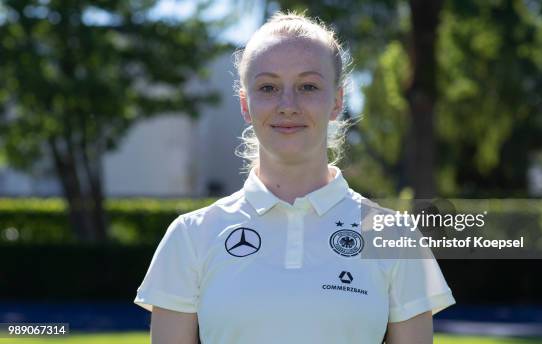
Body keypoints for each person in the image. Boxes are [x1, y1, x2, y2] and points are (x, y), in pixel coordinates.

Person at [134, 11, 455, 344]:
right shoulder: (190, 237)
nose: (288, 105)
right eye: (269, 87)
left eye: (308, 86)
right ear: (245, 104)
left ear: (337, 101)